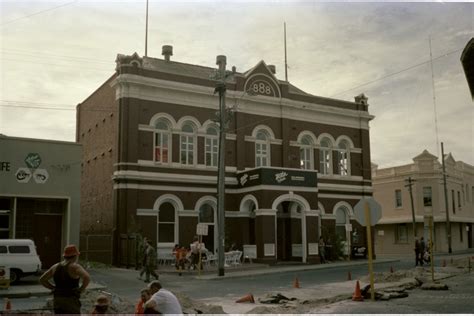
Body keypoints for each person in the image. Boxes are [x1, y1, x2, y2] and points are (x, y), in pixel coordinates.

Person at [39, 244, 91, 314]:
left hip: (58, 300)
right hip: (71, 301)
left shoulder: (55, 266)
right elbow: (87, 277)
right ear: (76, 256)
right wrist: (80, 290)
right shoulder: (75, 267)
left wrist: (53, 288)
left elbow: (42, 279)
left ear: (64, 256)